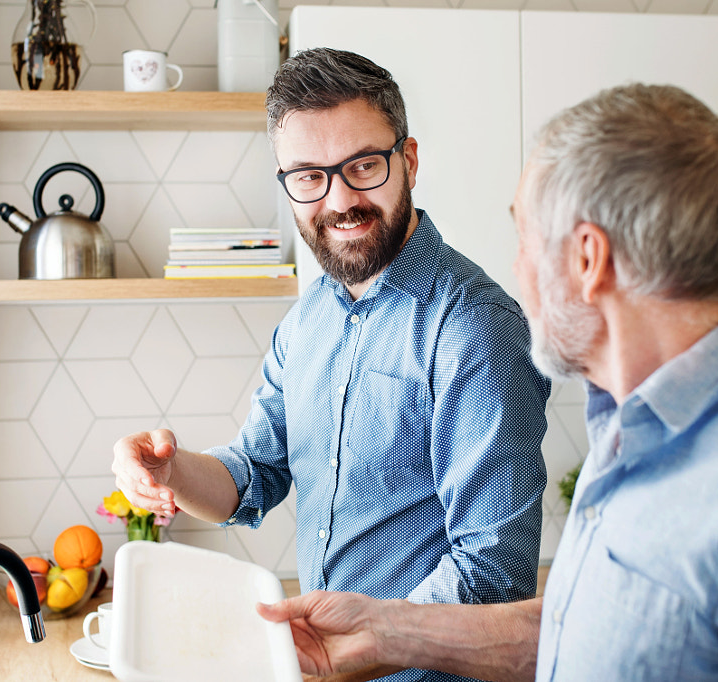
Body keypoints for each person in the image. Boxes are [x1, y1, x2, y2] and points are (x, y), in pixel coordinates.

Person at [257, 82, 718, 682]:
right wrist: (383, 632)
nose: (516, 269)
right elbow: (590, 631)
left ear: (588, 259)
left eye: (525, 238)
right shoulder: (635, 425)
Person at [112, 48, 551, 681]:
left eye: (363, 165)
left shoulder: (473, 327)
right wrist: (169, 470)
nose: (339, 199)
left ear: (410, 161)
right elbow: (253, 472)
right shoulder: (309, 317)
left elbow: (493, 575)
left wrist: (366, 642)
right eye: (310, 176)